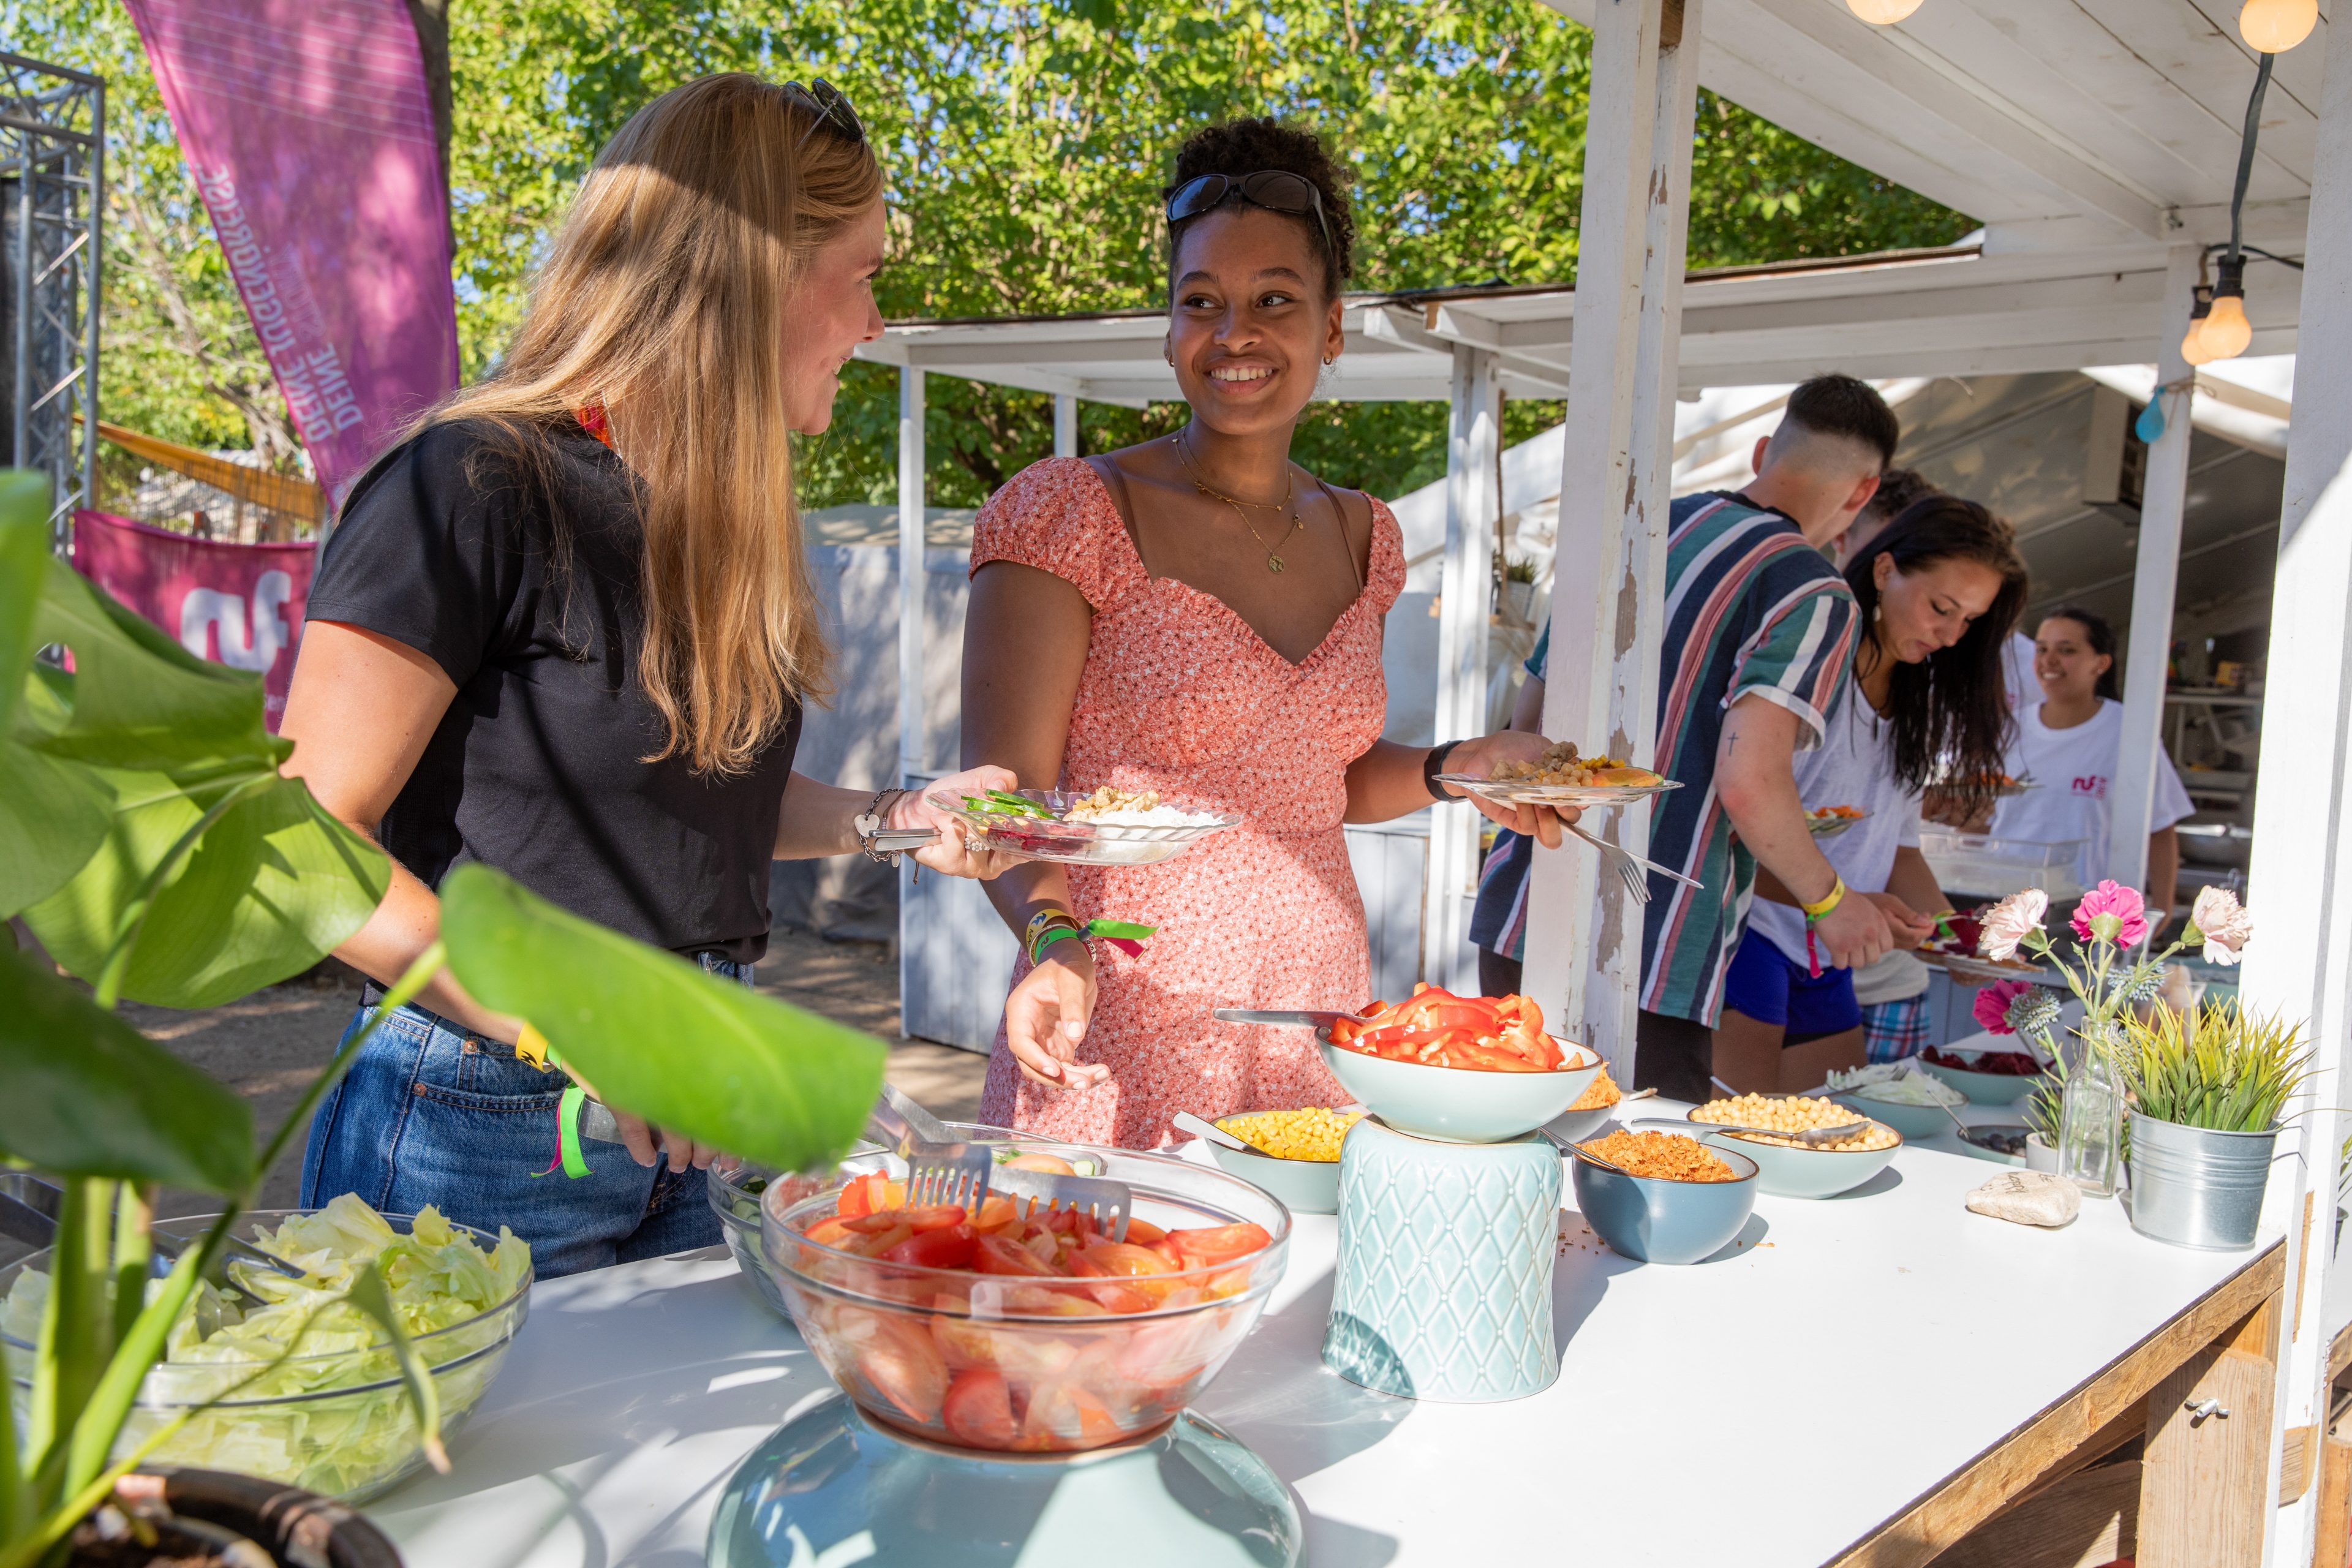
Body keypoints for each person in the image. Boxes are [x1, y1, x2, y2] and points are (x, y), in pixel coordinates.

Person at [281, 76, 1014, 1278]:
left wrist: (899, 819)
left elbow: (697, 803)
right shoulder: (470, 483)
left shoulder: (715, 519)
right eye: (864, 274)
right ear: (756, 276)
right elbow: (305, 844)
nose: (876, 322)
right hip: (482, 1107)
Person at [959, 118, 1572, 1147]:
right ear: (1169, 331)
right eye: (1201, 302)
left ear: (1332, 328)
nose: (1235, 333)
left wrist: (1457, 767)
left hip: (1311, 1023)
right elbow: (1001, 802)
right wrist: (1055, 940)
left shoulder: (1365, 535)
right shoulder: (1069, 512)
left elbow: (1313, 782)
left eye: (1275, 300)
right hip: (1117, 1015)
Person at [1471, 376, 1901, 1103]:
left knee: (1512, 1140)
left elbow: (1527, 729)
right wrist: (1832, 902)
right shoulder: (1811, 591)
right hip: (1656, 950)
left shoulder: (1631, 533)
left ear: (1763, 452)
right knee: (1632, 1168)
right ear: (1864, 492)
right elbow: (1748, 779)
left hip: (1522, 909)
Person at [1717, 497, 2027, 1091]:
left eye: (1970, 620)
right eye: (1942, 608)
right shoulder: (1811, 673)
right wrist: (1840, 900)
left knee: (1830, 1122)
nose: (1951, 635)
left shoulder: (1918, 702)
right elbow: (1733, 836)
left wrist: (1958, 939)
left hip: (1830, 949)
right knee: (1738, 1129)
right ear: (1885, 571)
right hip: (1748, 936)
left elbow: (1899, 849)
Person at [1987, 605, 2190, 930]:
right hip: (2007, 909)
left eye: (2066, 650)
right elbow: (1986, 817)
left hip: (2090, 918)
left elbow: (2160, 826)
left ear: (2101, 663)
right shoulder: (2010, 729)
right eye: (2042, 650)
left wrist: (2162, 912)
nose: (2049, 661)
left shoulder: (2127, 732)